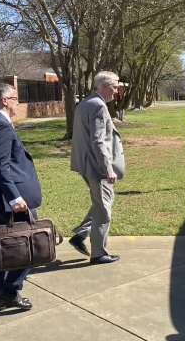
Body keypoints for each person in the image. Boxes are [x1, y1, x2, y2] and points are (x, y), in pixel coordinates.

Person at [0, 83, 41, 311]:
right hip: (10, 202)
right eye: (15, 97)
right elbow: (2, 167)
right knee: (32, 244)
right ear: (4, 100)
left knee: (1, 249)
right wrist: (14, 198)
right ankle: (9, 291)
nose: (18, 102)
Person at [69, 71, 125, 265]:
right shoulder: (98, 106)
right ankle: (99, 253)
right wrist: (108, 168)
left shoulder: (86, 102)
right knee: (103, 208)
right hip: (96, 166)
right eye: (115, 87)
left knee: (101, 201)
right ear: (104, 86)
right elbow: (98, 141)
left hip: (85, 164)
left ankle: (80, 233)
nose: (116, 91)